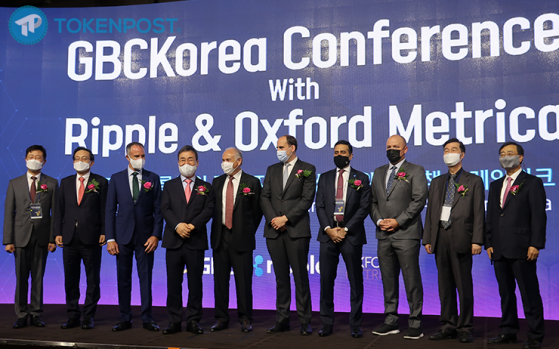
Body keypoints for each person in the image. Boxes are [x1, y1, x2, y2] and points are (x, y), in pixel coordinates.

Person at [423, 138, 484, 343]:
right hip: (440, 237)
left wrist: (477, 240)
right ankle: (448, 325)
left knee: (463, 285)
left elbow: (478, 212)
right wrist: (428, 238)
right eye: (446, 150)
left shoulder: (473, 181)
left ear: (462, 154)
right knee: (445, 285)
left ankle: (465, 327)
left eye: (453, 150)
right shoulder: (438, 182)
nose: (449, 153)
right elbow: (431, 212)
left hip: (463, 238)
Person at [485, 142, 546, 349]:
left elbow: (538, 216)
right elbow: (492, 217)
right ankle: (508, 331)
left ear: (520, 158)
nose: (505, 157)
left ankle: (535, 335)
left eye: (509, 153)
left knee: (529, 294)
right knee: (506, 294)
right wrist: (489, 242)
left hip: (522, 248)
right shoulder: (495, 185)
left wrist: (535, 244)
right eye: (502, 154)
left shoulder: (532, 182)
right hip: (499, 249)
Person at [370, 134, 428, 340]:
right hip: (383, 234)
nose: (391, 150)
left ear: (405, 150)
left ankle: (415, 323)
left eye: (396, 146)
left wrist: (398, 221)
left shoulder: (415, 170)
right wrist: (379, 221)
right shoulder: (378, 172)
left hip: (406, 233)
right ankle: (391, 320)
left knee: (411, 279)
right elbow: (373, 202)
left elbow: (419, 200)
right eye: (388, 146)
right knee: (388, 279)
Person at [261, 135, 316, 335]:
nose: (278, 150)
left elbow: (307, 199)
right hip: (274, 231)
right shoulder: (271, 169)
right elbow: (264, 197)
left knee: (300, 277)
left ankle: (304, 321)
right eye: (277, 147)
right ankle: (282, 320)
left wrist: (286, 218)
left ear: (292, 148)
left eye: (281, 147)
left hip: (296, 230)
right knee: (280, 278)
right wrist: (274, 219)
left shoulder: (308, 168)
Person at [315, 140, 371, 338]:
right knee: (326, 280)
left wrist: (345, 229)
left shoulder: (361, 178)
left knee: (355, 281)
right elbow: (319, 205)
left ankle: (355, 324)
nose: (339, 155)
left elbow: (364, 208)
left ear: (351, 155)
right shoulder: (324, 177)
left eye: (343, 152)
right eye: (336, 152)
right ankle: (326, 323)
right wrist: (329, 229)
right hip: (328, 236)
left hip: (351, 236)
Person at [105, 142, 163, 332]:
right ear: (127, 157)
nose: (140, 159)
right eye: (136, 156)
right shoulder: (116, 178)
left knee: (145, 279)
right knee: (123, 279)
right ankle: (125, 318)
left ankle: (147, 318)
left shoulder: (153, 178)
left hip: (146, 238)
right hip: (122, 237)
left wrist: (155, 235)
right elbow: (110, 210)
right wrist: (110, 238)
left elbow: (158, 211)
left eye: (143, 156)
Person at [160, 145, 214, 335]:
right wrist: (178, 225)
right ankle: (174, 321)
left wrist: (192, 226)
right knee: (173, 284)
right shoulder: (168, 185)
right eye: (182, 160)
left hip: (195, 240)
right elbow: (165, 209)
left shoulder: (206, 187)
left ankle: (193, 321)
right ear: (178, 163)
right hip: (173, 241)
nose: (186, 163)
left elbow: (209, 210)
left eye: (190, 159)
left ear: (197, 163)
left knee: (195, 284)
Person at [3, 145, 58, 329]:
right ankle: (21, 314)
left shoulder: (51, 183)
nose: (35, 159)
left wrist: (52, 238)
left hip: (42, 237)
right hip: (19, 237)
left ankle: (35, 313)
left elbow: (55, 213)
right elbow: (9, 213)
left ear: (44, 161)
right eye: (31, 156)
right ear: (25, 159)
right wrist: (8, 240)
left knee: (38, 277)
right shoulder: (14, 183)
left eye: (39, 156)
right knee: (21, 278)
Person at [54, 147, 108, 330]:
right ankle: (73, 315)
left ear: (91, 162)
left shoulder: (100, 182)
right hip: (69, 237)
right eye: (77, 158)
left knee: (93, 279)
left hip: (92, 237)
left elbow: (104, 210)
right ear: (73, 162)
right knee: (71, 279)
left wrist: (104, 232)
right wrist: (57, 233)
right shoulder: (66, 182)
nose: (80, 161)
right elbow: (59, 210)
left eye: (84, 158)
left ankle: (88, 316)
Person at [210, 147, 262, 333]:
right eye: (223, 159)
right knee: (220, 282)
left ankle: (245, 318)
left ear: (238, 161)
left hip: (242, 238)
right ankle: (221, 318)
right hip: (220, 237)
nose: (224, 163)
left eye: (228, 159)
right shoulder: (216, 182)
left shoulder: (253, 182)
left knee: (243, 281)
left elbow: (257, 212)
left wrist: (246, 231)